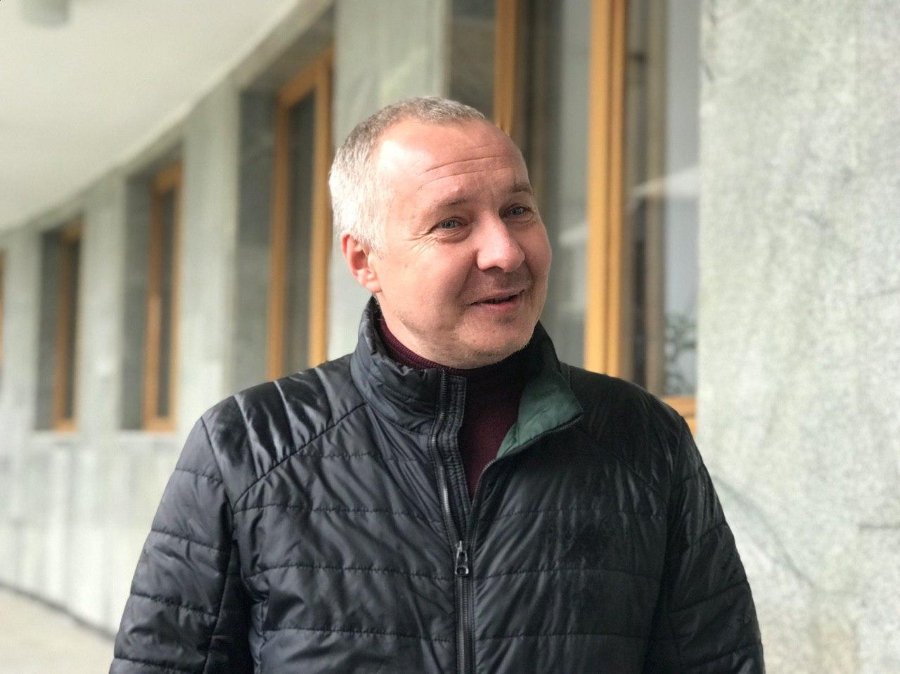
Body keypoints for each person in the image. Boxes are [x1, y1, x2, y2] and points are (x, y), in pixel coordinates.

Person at [111, 97, 763, 673]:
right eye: (452, 222)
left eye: (518, 210)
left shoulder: (642, 439)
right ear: (364, 260)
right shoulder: (249, 447)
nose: (505, 251)